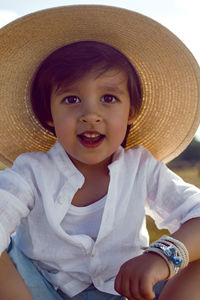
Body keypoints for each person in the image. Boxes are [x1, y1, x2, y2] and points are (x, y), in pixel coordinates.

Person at [0, 5, 200, 300]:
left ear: (131, 111)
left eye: (108, 98)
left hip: (128, 290)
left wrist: (162, 257)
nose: (90, 114)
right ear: (49, 115)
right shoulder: (31, 171)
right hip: (42, 290)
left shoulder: (141, 167)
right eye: (71, 98)